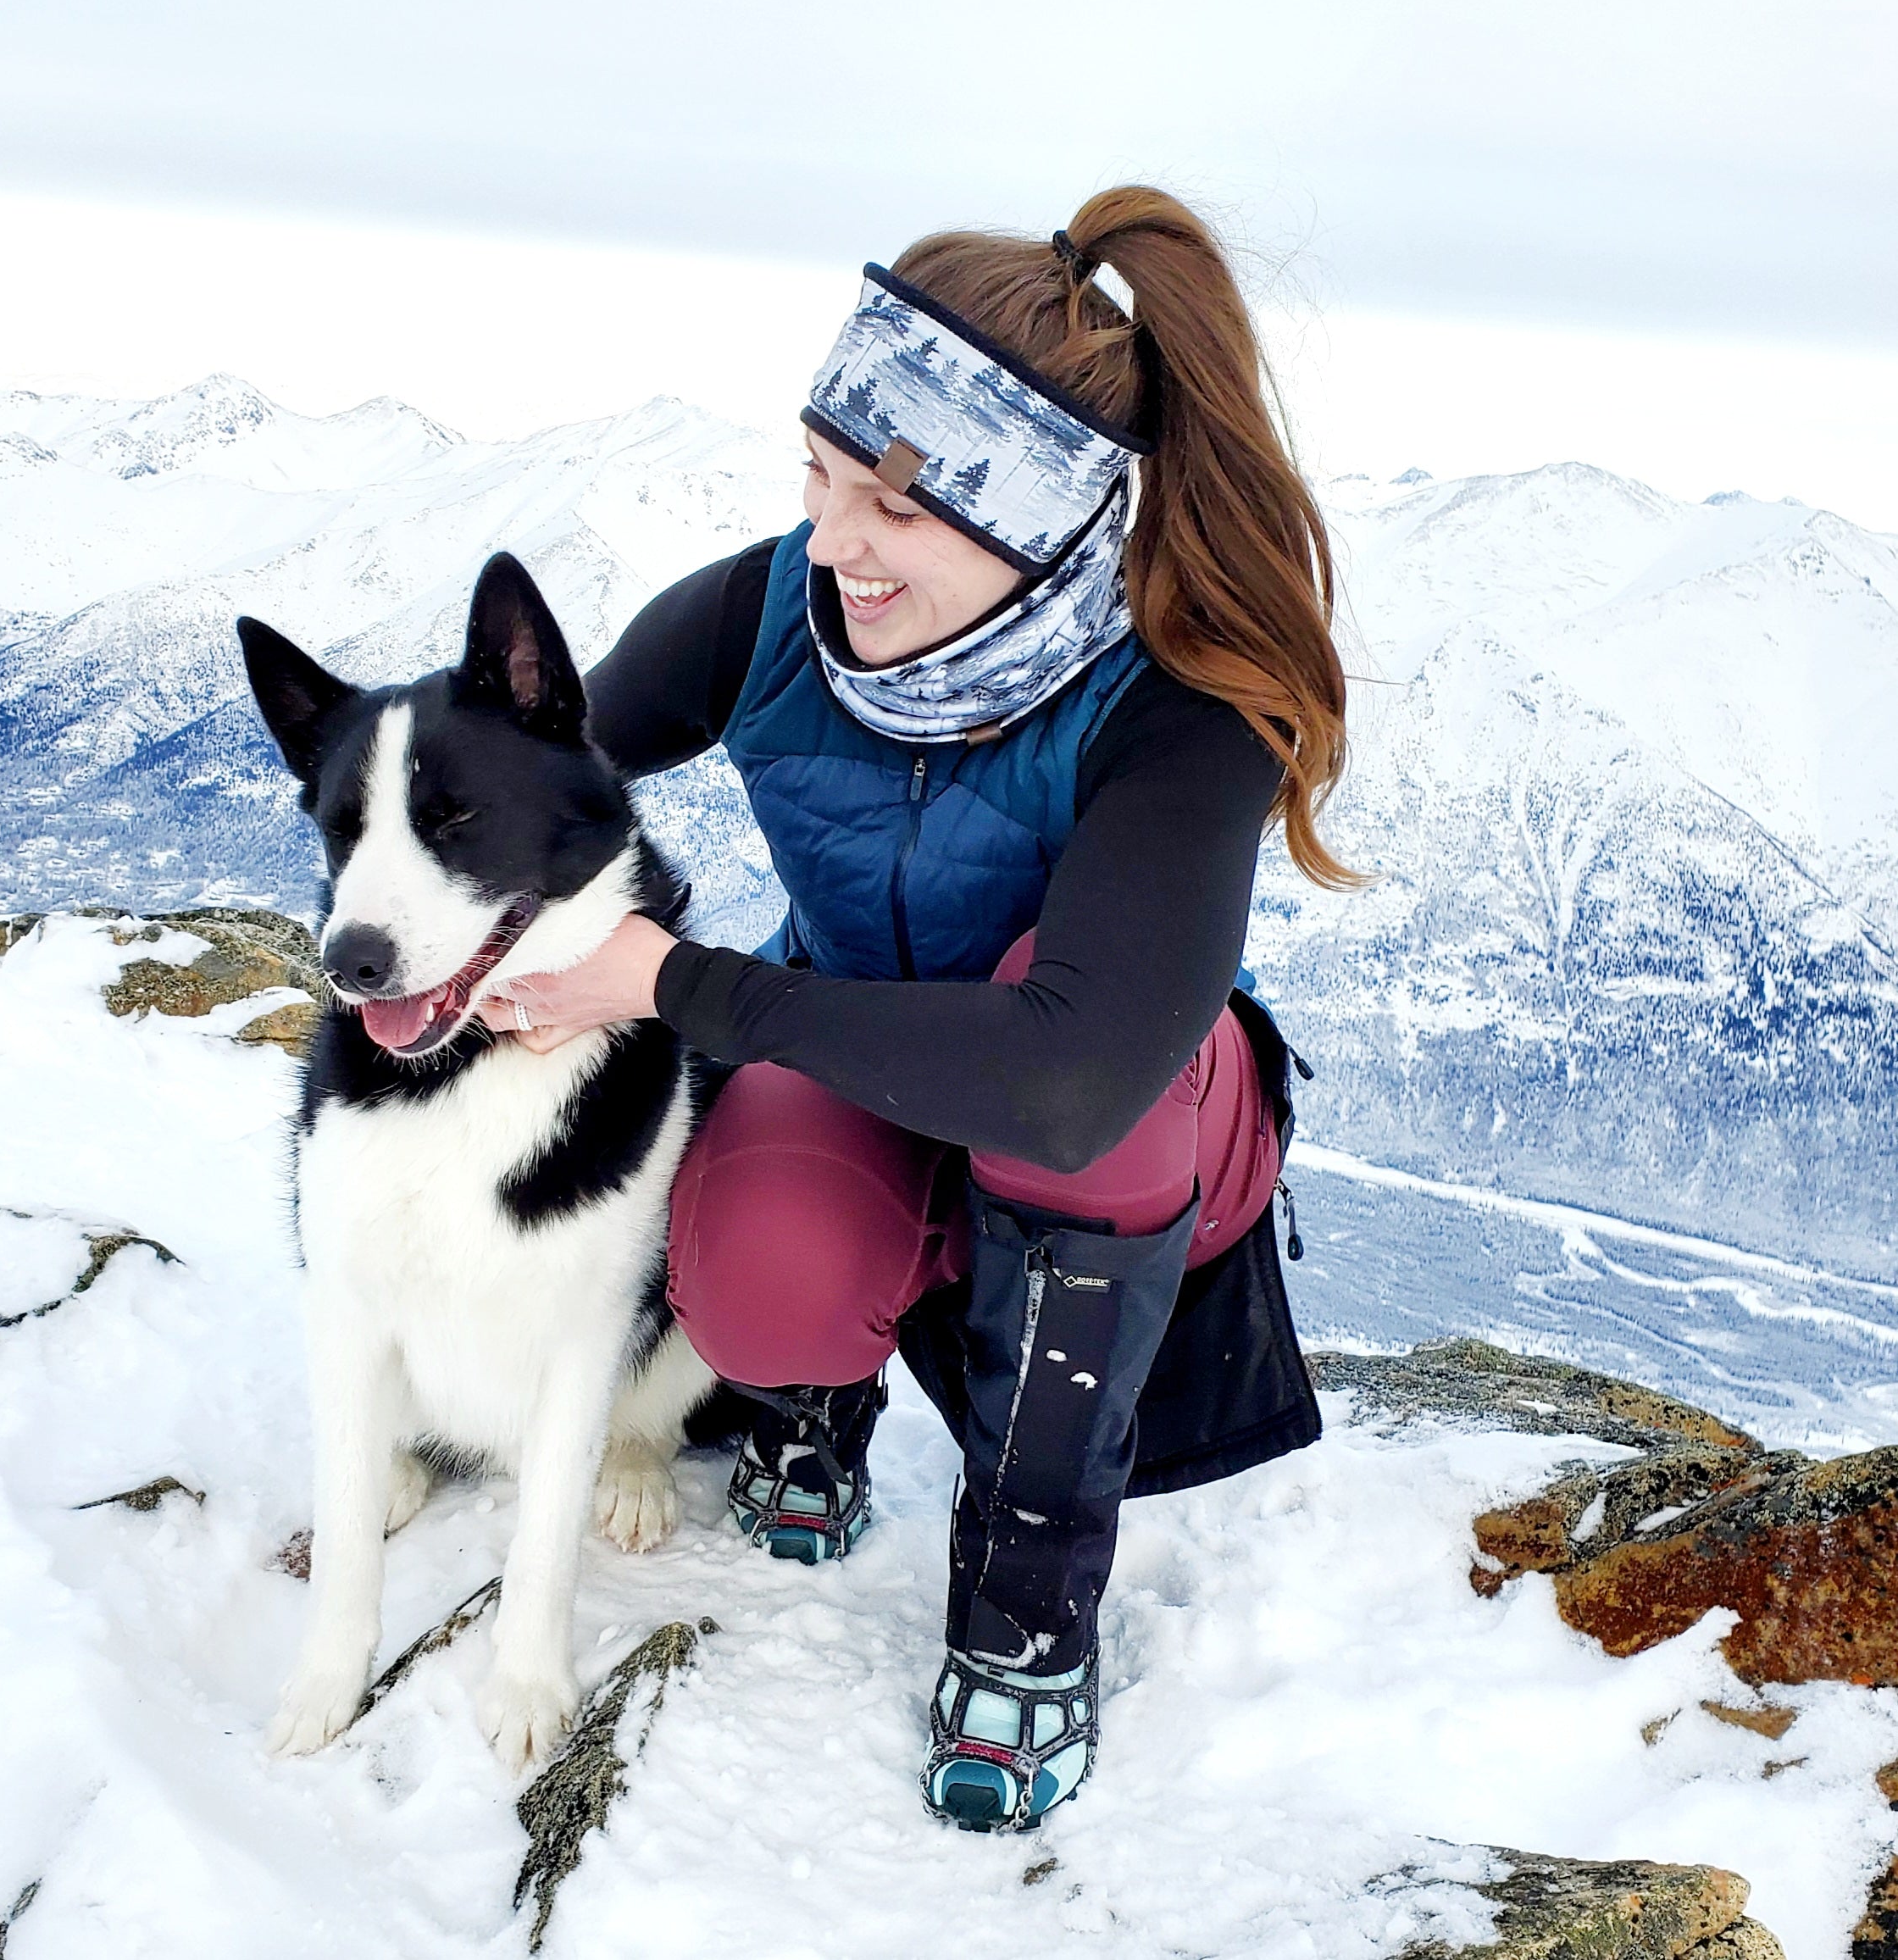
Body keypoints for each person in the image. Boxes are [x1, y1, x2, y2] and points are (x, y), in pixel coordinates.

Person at [474, 184, 1355, 1835]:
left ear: (1036, 518)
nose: (829, 542)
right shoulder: (769, 619)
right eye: (814, 474)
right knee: (755, 1281)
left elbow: (1070, 1078)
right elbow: (542, 767)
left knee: (1079, 1085)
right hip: (873, 1060)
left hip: (1129, 1114)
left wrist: (676, 982)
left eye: (895, 506)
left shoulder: (1177, 709)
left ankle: (1029, 1597)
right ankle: (820, 1400)